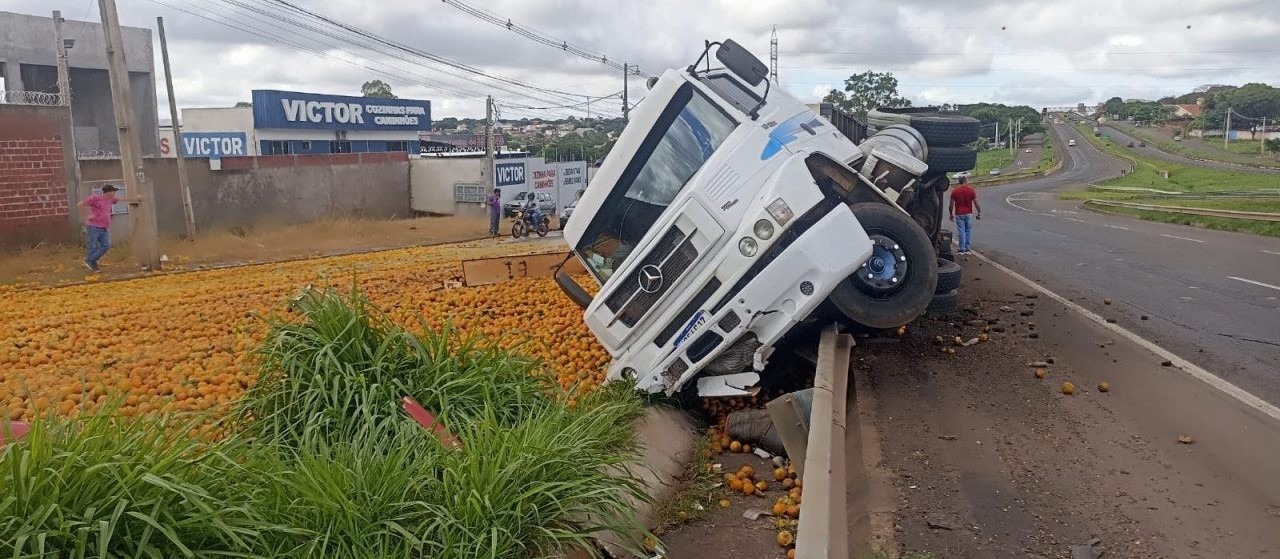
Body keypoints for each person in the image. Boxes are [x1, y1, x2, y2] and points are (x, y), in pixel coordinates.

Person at [77, 185, 129, 271]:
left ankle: (90, 260)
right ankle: (92, 263)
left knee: (106, 245)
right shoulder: (95, 198)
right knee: (92, 246)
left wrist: (136, 198)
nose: (114, 193)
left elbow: (122, 199)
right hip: (93, 226)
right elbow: (80, 204)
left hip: (104, 227)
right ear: (108, 192)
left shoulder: (111, 199)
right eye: (113, 192)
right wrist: (87, 215)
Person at [948, 175, 981, 254]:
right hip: (968, 213)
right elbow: (976, 203)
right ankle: (967, 248)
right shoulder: (971, 190)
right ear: (965, 181)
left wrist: (951, 214)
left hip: (959, 213)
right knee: (968, 230)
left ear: (959, 182)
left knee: (961, 231)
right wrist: (979, 212)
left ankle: (961, 248)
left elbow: (951, 205)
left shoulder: (955, 191)